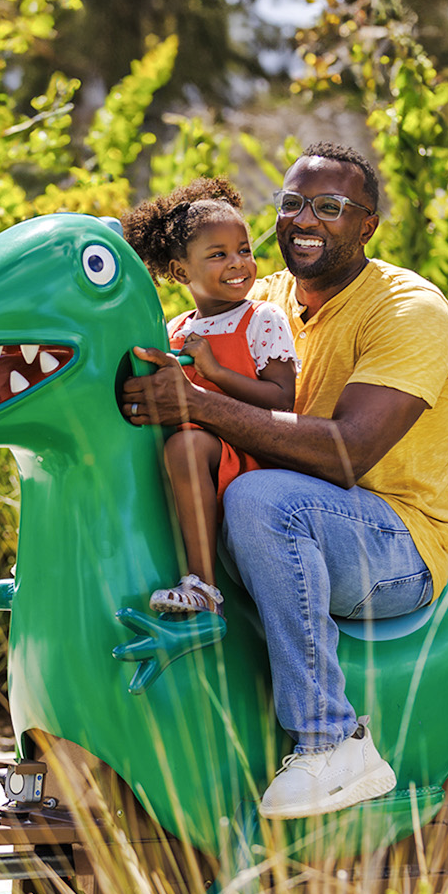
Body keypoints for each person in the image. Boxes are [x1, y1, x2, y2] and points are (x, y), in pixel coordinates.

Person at [120, 143, 448, 819]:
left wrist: (195, 401)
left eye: (330, 208)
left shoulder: (409, 311)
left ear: (368, 224)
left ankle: (333, 742)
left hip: (394, 542)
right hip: (284, 515)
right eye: (292, 204)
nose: (305, 220)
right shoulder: (261, 298)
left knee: (257, 499)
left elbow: (347, 454)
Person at [120, 178, 298, 617]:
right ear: (182, 273)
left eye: (244, 250)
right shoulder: (175, 330)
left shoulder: (263, 319)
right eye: (218, 255)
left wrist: (214, 373)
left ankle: (202, 586)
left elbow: (282, 400)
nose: (238, 264)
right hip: (197, 460)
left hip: (251, 455)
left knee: (184, 446)